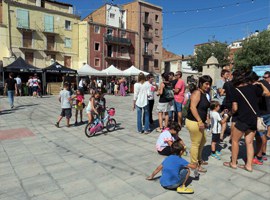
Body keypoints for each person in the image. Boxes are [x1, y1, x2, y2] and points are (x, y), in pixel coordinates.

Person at [223, 71, 270, 172]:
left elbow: (235, 108)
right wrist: (261, 84)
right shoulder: (254, 88)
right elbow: (268, 93)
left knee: (235, 140)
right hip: (254, 119)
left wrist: (229, 114)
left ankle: (233, 163)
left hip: (243, 119)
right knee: (249, 143)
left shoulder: (236, 90)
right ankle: (249, 165)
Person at [185, 75, 212, 173]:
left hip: (199, 122)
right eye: (206, 84)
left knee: (203, 140)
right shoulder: (197, 93)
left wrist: (206, 118)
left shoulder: (204, 93)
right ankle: (194, 164)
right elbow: (193, 107)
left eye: (209, 84)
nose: (208, 86)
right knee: (195, 144)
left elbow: (204, 108)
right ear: (201, 83)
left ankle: (199, 159)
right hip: (194, 122)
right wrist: (200, 121)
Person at [253, 71, 270, 164]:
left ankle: (259, 156)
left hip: (262, 113)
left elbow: (267, 94)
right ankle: (263, 153)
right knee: (264, 133)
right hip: (267, 112)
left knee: (261, 135)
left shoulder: (259, 85)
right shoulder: (265, 83)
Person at [216, 69, 230, 142]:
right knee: (220, 119)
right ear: (222, 74)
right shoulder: (219, 81)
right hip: (220, 102)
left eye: (228, 74)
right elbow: (220, 91)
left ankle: (221, 135)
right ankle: (218, 133)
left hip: (227, 103)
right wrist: (227, 92)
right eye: (226, 74)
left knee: (225, 118)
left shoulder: (228, 82)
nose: (228, 75)